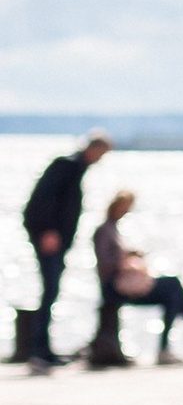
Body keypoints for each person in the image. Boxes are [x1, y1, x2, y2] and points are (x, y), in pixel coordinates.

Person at [88, 189, 183, 366]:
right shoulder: (104, 230)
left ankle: (173, 339)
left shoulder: (113, 228)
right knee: (172, 286)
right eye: (125, 207)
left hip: (124, 283)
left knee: (172, 293)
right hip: (116, 286)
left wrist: (130, 254)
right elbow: (105, 262)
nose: (126, 211)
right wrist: (126, 258)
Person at [18, 135, 110, 367]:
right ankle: (38, 350)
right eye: (102, 153)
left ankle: (43, 349)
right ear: (93, 148)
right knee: (49, 291)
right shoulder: (66, 165)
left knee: (52, 292)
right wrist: (47, 231)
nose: (101, 159)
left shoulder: (76, 168)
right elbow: (41, 200)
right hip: (50, 239)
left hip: (58, 241)